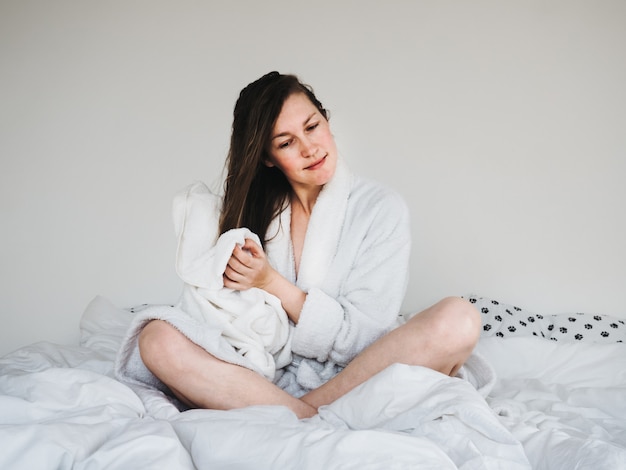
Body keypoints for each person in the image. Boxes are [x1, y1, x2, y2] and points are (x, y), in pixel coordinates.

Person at [138, 71, 481, 419]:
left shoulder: (379, 208)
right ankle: (305, 414)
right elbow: (223, 317)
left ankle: (301, 415)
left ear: (326, 120)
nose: (309, 148)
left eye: (312, 127)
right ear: (268, 157)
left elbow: (364, 340)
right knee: (154, 338)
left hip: (358, 375)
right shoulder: (252, 216)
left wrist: (270, 282)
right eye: (286, 142)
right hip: (262, 378)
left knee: (460, 318)